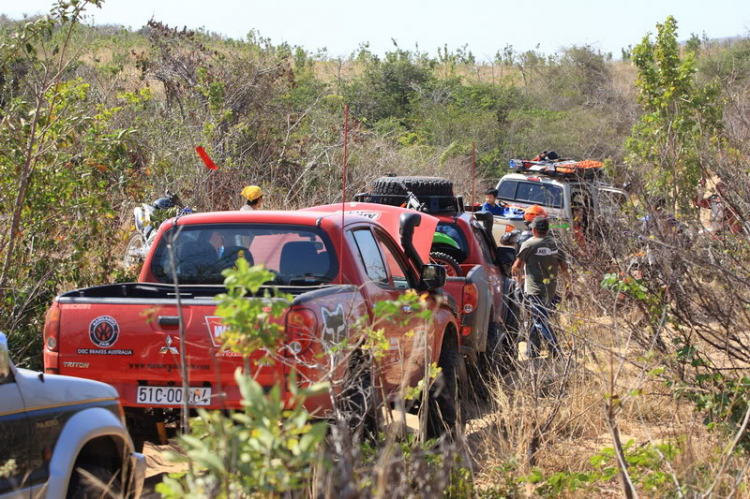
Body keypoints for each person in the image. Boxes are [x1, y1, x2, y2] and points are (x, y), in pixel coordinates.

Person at [511, 216, 571, 359]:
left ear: (534, 229)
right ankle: (532, 350)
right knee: (538, 317)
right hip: (550, 289)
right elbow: (564, 269)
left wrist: (519, 282)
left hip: (535, 289)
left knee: (540, 320)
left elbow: (516, 268)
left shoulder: (529, 244)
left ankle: (556, 350)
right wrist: (569, 287)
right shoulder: (555, 244)